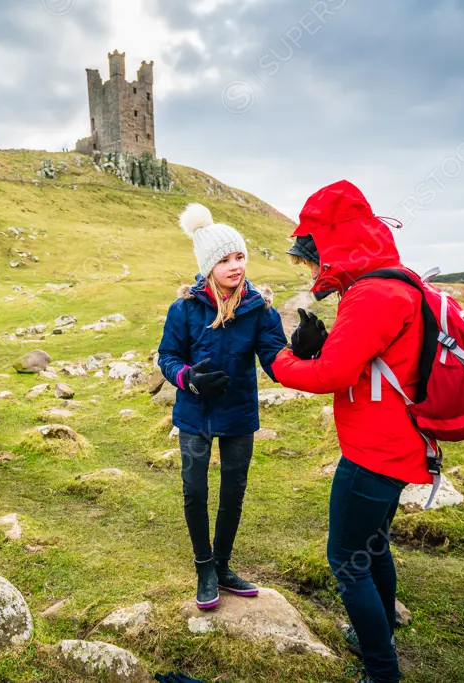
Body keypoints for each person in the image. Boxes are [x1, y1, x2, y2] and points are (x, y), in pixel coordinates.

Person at [272, 180, 431, 683]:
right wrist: (321, 347)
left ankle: (381, 671)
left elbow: (333, 376)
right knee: (373, 545)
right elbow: (367, 364)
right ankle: (378, 633)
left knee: (345, 560)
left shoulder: (372, 294)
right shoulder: (392, 281)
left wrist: (282, 362)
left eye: (312, 256)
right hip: (396, 440)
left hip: (374, 450)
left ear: (334, 244)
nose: (313, 269)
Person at [157, 203, 287, 610]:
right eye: (225, 259)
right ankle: (204, 568)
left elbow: (276, 359)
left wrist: (303, 351)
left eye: (240, 256)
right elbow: (167, 356)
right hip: (194, 415)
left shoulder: (259, 310)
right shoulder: (184, 309)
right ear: (208, 265)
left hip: (239, 414)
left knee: (234, 493)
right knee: (195, 492)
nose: (235, 265)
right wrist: (188, 379)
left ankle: (225, 566)